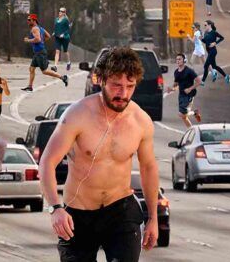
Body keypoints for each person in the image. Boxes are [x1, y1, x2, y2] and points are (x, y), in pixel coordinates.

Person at [40, 46, 160, 259]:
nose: (123, 94)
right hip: (78, 214)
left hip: (120, 211)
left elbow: (148, 167)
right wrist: (55, 208)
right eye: (116, 85)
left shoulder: (141, 121)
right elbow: (47, 162)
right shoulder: (77, 114)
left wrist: (153, 218)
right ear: (101, 80)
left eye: (129, 86)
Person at [23, 14, 69, 91]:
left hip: (40, 53)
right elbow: (48, 36)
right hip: (38, 53)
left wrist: (28, 40)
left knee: (44, 71)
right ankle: (30, 86)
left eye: (29, 20)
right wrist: (42, 40)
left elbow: (38, 39)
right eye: (27, 20)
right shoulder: (40, 28)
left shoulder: (34, 28)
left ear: (34, 20)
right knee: (31, 69)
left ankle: (63, 77)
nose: (28, 21)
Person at [170, 53, 200, 128]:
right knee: (184, 117)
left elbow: (199, 81)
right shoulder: (176, 72)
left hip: (189, 95)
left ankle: (194, 113)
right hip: (181, 95)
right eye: (177, 59)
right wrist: (172, 88)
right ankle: (191, 130)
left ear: (184, 60)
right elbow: (176, 84)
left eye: (179, 59)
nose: (178, 61)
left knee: (182, 114)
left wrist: (190, 89)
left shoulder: (189, 71)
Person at [200, 19, 230, 84]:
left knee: (206, 65)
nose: (204, 26)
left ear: (209, 25)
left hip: (213, 51)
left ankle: (203, 81)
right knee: (214, 66)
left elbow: (222, 38)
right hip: (209, 51)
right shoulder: (205, 33)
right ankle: (226, 76)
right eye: (204, 25)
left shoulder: (214, 32)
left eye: (205, 25)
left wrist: (215, 43)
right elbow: (205, 42)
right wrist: (201, 39)